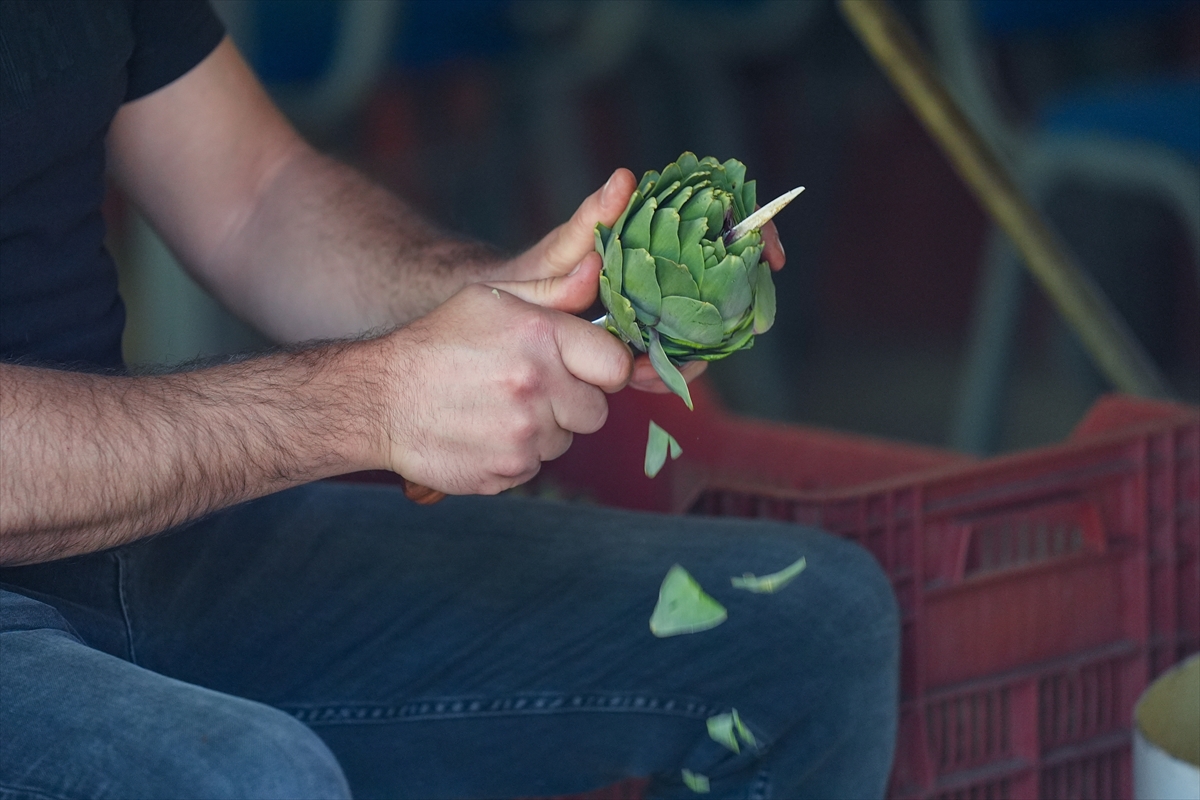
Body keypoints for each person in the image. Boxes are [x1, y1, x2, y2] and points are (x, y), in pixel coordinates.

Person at [0, 3, 900, 798]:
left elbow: (253, 197)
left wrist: (521, 296)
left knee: (814, 633)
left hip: (141, 533)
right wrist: (373, 400)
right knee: (254, 782)